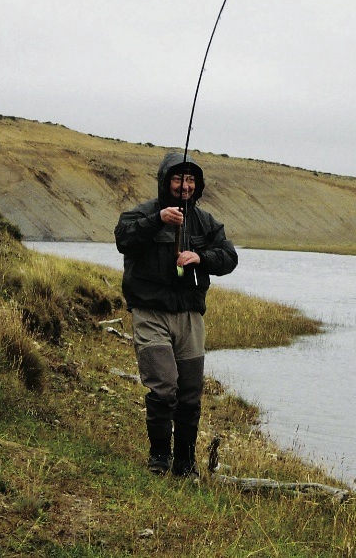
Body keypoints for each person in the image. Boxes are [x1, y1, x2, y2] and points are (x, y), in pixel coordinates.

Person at [114, 152, 238, 476]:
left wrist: (201, 258)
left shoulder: (206, 222)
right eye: (179, 179)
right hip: (150, 313)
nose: (185, 186)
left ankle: (185, 462)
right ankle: (159, 457)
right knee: (164, 386)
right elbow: (123, 238)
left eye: (191, 180)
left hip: (190, 316)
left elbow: (229, 257)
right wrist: (158, 220)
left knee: (189, 393)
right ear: (165, 181)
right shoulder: (143, 213)